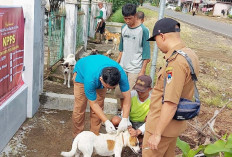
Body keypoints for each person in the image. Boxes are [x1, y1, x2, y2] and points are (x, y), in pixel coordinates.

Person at [143, 18, 200, 157]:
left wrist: (156, 134)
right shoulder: (190, 54)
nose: (156, 45)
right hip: (173, 126)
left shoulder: (175, 63)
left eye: (155, 40)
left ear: (162, 36)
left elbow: (170, 102)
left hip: (161, 127)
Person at [72, 55, 131, 138]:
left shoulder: (121, 74)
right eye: (107, 87)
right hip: (82, 74)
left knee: (99, 106)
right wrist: (106, 121)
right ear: (101, 79)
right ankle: (78, 136)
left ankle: (94, 136)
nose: (109, 90)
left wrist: (125, 118)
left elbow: (127, 97)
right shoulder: (90, 79)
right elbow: (93, 103)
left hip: (96, 68)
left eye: (112, 88)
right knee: (80, 107)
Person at [115, 3, 150, 111]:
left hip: (135, 69)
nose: (127, 21)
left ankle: (127, 118)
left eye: (129, 18)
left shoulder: (143, 30)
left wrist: (142, 71)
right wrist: (117, 63)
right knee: (119, 93)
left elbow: (146, 52)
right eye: (125, 18)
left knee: (129, 95)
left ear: (135, 16)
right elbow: (121, 48)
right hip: (122, 67)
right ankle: (121, 114)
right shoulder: (124, 28)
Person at [112, 75, 152, 146]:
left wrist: (138, 131)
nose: (139, 93)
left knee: (151, 124)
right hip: (129, 121)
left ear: (149, 89)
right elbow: (124, 112)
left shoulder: (153, 100)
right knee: (115, 120)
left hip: (141, 123)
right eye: (138, 90)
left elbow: (151, 120)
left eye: (142, 91)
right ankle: (124, 136)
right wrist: (129, 126)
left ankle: (138, 137)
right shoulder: (132, 94)